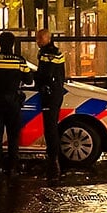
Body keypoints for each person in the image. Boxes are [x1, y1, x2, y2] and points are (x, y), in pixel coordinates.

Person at [0, 32, 32, 173]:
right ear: (13, 44)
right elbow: (29, 80)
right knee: (13, 135)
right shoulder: (19, 61)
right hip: (13, 102)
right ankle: (12, 165)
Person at [33, 29, 67, 176]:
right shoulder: (55, 52)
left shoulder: (48, 54)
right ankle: (53, 158)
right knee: (51, 126)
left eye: (40, 39)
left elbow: (44, 75)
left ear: (47, 38)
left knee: (50, 127)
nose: (37, 41)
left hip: (50, 94)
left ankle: (53, 160)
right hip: (56, 92)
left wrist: (33, 78)